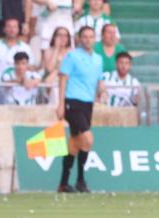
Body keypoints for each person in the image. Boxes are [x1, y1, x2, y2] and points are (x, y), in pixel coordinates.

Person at [56, 25, 104, 193]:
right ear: (79, 38)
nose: (88, 40)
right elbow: (63, 79)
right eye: (85, 37)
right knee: (88, 138)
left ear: (95, 39)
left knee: (75, 143)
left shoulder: (98, 59)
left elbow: (99, 79)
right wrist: (61, 103)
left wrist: (102, 91)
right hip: (72, 101)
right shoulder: (72, 56)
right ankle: (81, 180)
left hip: (87, 103)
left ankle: (63, 183)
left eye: (91, 37)